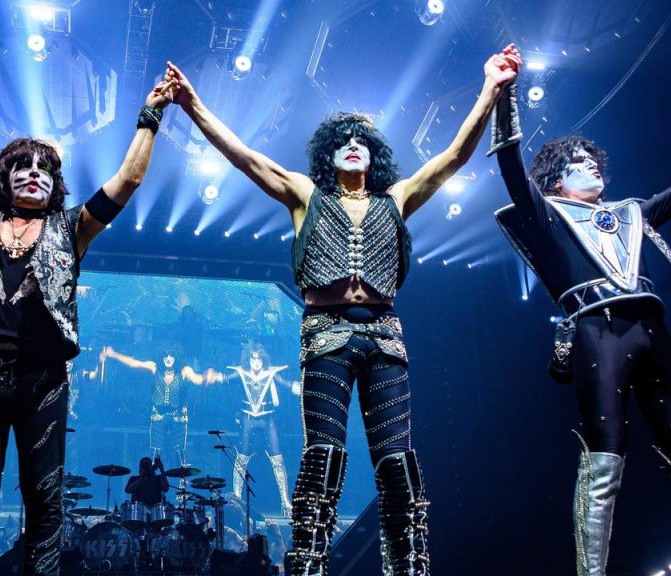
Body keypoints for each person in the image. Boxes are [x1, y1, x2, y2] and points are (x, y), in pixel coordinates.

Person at [163, 44, 520, 574]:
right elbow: (244, 156)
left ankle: (410, 566)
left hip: (385, 336)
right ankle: (308, 564)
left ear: (374, 156)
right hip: (326, 333)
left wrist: (490, 88)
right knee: (323, 455)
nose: (353, 146)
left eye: (362, 141)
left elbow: (454, 156)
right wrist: (192, 104)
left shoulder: (397, 198)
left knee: (397, 460)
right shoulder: (305, 194)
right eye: (344, 141)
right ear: (328, 154)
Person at [0, 75, 174, 576]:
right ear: (4, 178)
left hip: (42, 378)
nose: (33, 174)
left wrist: (150, 116)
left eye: (45, 169)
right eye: (22, 166)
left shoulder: (72, 228)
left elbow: (128, 181)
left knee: (44, 499)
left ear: (56, 183)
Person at [489, 68, 671, 575]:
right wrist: (503, 93)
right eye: (577, 163)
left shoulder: (632, 212)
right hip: (598, 333)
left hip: (654, 333)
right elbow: (511, 164)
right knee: (605, 458)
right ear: (557, 180)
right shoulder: (548, 215)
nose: (590, 167)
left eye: (592, 160)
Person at [209, 343, 295, 516]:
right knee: (242, 456)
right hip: (247, 418)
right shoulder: (242, 373)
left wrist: (303, 387)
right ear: (248, 360)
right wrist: (213, 376)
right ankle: (236, 498)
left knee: (277, 458)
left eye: (259, 359)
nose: (256, 362)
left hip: (267, 418)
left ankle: (285, 501)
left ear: (263, 360)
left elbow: (286, 385)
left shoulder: (270, 373)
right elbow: (225, 378)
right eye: (253, 359)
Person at [100, 345, 209, 467]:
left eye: (171, 355)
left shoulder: (184, 371)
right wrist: (114, 353)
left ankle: (182, 474)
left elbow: (198, 380)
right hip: (158, 415)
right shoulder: (154, 367)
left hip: (178, 415)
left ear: (176, 357)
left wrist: (209, 376)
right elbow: (134, 363)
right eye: (165, 355)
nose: (168, 358)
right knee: (156, 449)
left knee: (179, 450)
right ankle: (152, 473)